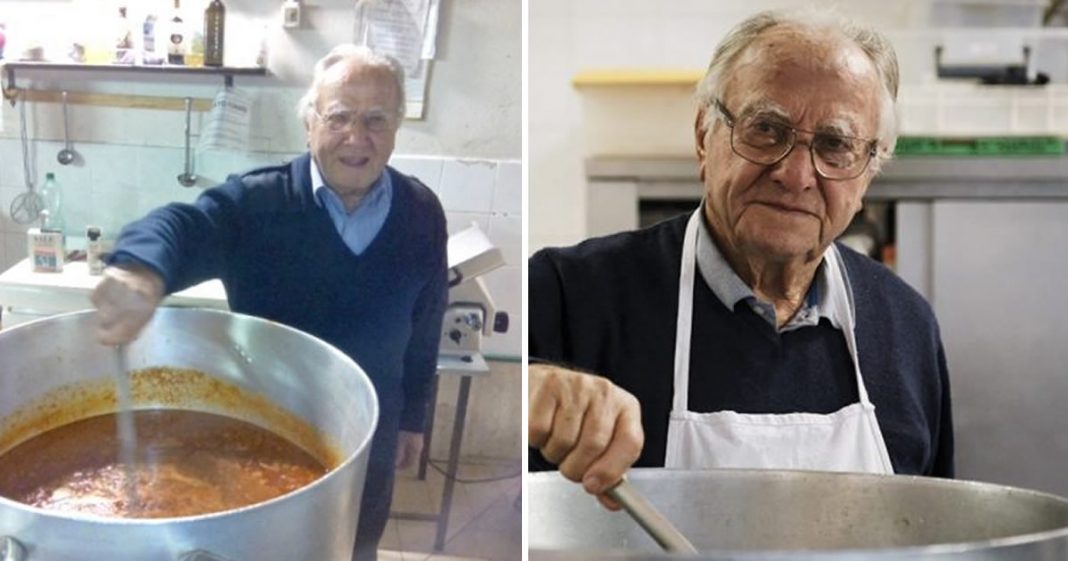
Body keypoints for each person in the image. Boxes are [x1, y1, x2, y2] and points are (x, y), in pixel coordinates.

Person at [528, 10, 953, 509]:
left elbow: (933, 533)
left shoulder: (905, 326)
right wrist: (530, 391)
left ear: (869, 173)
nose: (795, 175)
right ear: (705, 137)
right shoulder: (567, 293)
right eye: (766, 129)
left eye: (835, 146)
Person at [91, 44, 448, 561]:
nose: (357, 137)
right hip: (266, 438)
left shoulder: (421, 212)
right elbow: (182, 225)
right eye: (339, 117)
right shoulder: (257, 204)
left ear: (396, 129)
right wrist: (140, 267)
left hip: (371, 434)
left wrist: (414, 416)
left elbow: (427, 317)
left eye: (376, 120)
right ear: (309, 123)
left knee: (357, 547)